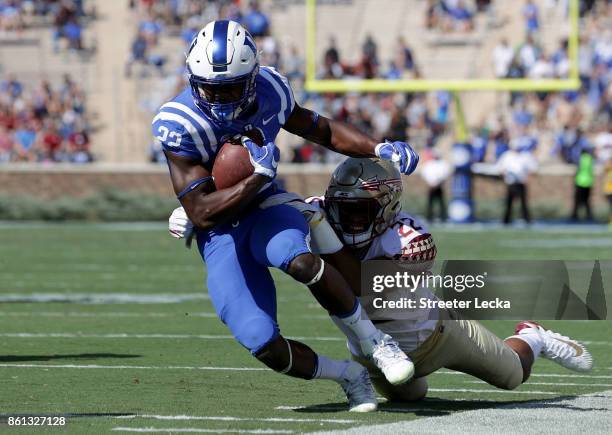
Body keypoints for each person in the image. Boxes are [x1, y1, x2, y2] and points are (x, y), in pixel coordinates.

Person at [154, 20, 419, 412]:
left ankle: (374, 341)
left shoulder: (270, 89)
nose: (222, 99)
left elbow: (319, 129)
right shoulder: (179, 123)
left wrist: (377, 148)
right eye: (212, 88)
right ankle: (348, 375)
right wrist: (255, 178)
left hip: (266, 208)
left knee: (299, 259)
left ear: (252, 77)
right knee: (263, 343)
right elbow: (202, 212)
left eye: (231, 88)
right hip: (219, 229)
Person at [170, 157, 593, 403]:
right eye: (342, 210)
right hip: (375, 354)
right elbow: (264, 205)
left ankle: (533, 336)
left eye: (359, 213)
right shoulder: (320, 209)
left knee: (513, 376)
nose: (347, 219)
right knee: (410, 394)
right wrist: (200, 212)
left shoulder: (411, 240)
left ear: (387, 208)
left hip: (441, 335)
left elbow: (360, 288)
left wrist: (319, 228)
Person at [496, 147, 537, 225]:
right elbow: (500, 168)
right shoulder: (507, 155)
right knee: (509, 202)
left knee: (523, 202)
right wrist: (505, 176)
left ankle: (527, 219)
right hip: (511, 182)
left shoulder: (525, 156)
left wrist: (528, 178)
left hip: (521, 182)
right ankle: (506, 220)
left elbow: (532, 168)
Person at [420, 150, 451, 222]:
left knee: (441, 202)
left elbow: (444, 173)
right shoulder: (429, 164)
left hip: (439, 185)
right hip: (431, 185)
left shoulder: (443, 163)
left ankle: (443, 217)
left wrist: (438, 182)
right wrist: (431, 182)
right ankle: (429, 217)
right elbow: (425, 173)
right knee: (430, 202)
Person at [571, 146, 595, 222]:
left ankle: (575, 216)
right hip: (588, 182)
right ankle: (589, 215)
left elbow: (578, 170)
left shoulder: (580, 159)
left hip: (580, 181)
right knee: (587, 200)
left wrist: (574, 180)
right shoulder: (590, 159)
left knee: (577, 200)